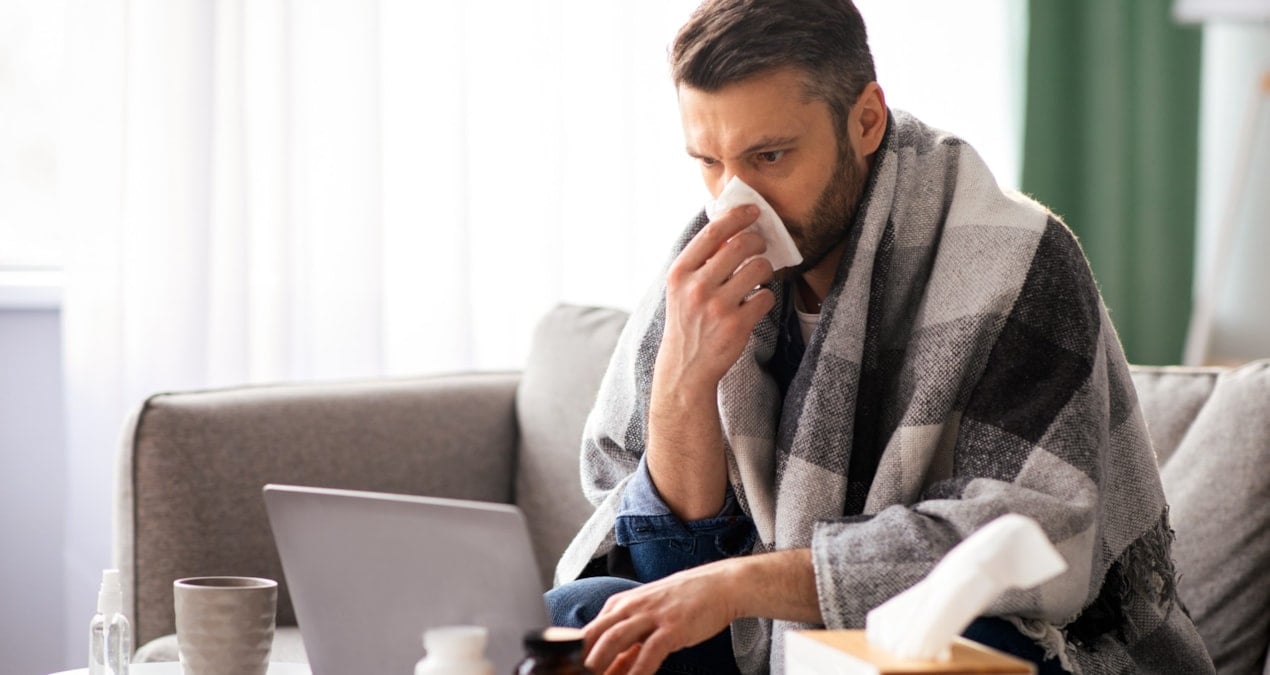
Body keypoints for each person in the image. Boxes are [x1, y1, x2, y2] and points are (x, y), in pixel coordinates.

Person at [546, 1, 1214, 674]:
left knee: (942, 650)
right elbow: (672, 567)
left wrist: (742, 585)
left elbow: (1028, 544)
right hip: (760, 643)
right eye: (710, 162)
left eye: (769, 155)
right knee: (582, 618)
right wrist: (682, 383)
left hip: (990, 641)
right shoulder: (701, 268)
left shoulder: (1013, 263)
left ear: (865, 120)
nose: (736, 202)